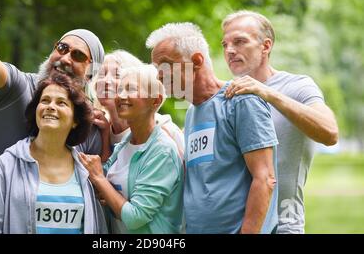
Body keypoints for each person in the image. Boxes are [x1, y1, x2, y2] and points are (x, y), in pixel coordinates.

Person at [0, 6, 106, 233]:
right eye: (62, 48)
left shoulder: (89, 126)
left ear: (91, 72)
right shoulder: (16, 87)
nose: (65, 58)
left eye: (78, 55)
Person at [146, 22, 279, 234]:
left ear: (196, 61)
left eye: (165, 65)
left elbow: (264, 178)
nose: (159, 76)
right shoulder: (191, 113)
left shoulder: (240, 100)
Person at [220, 10, 339, 233]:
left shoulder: (297, 86)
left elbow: (330, 132)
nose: (230, 50)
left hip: (284, 225)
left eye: (239, 42)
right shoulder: (228, 96)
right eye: (224, 44)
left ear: (265, 46)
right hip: (237, 226)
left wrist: (267, 93)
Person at [0, 75, 108, 234]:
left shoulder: (86, 169)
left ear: (75, 120)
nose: (51, 106)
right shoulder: (8, 162)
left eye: (61, 102)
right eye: (45, 101)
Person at [79, 65, 184, 234]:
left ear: (155, 100)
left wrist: (99, 178)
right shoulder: (123, 146)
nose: (120, 96)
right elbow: (105, 193)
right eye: (120, 89)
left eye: (131, 89)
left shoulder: (162, 151)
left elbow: (135, 217)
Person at [90, 50, 184, 160]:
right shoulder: (99, 128)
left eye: (117, 75)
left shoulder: (164, 130)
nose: (105, 80)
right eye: (101, 74)